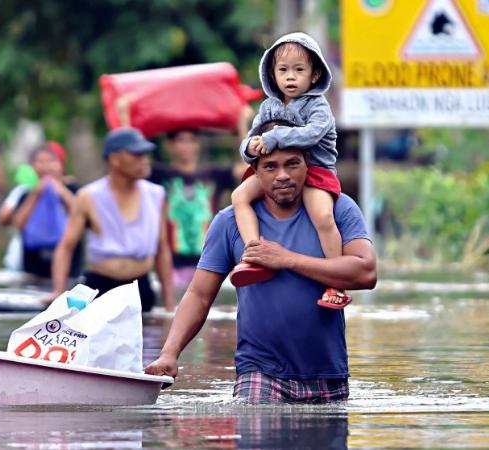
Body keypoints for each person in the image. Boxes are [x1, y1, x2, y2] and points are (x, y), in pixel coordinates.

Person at [145, 120, 377, 404]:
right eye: (270, 167)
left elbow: (366, 272)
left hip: (328, 373)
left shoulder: (337, 208)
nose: (283, 175)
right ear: (254, 172)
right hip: (258, 372)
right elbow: (199, 295)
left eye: (292, 164)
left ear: (308, 163)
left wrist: (287, 259)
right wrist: (169, 353)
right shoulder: (229, 222)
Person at [230, 32, 349, 309]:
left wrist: (274, 138)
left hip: (315, 171)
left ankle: (336, 282)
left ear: (315, 74)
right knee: (239, 196)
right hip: (277, 171)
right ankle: (254, 254)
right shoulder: (268, 107)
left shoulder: (318, 105)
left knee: (322, 215)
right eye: (283, 70)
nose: (290, 77)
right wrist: (250, 148)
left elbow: (311, 134)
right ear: (272, 74)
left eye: (299, 70)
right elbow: (250, 138)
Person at [50, 128, 175, 312]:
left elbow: (162, 249)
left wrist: (169, 305)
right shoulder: (89, 196)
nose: (144, 160)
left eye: (145, 154)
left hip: (139, 288)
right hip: (99, 287)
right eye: (137, 155)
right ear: (115, 159)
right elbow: (66, 246)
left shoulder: (156, 195)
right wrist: (58, 293)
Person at [149, 129, 244, 288]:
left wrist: (241, 126)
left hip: (209, 263)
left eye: (192, 140)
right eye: (181, 140)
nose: (187, 146)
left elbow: (246, 169)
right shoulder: (159, 175)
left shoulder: (212, 174)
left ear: (198, 144)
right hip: (171, 266)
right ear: (169, 145)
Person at [0, 141, 83, 279]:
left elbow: (81, 216)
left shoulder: (74, 190)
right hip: (33, 267)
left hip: (69, 267)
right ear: (32, 166)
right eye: (40, 162)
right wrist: (36, 194)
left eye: (51, 161)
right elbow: (18, 224)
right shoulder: (26, 193)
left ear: (61, 165)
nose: (46, 166)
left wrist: (62, 193)